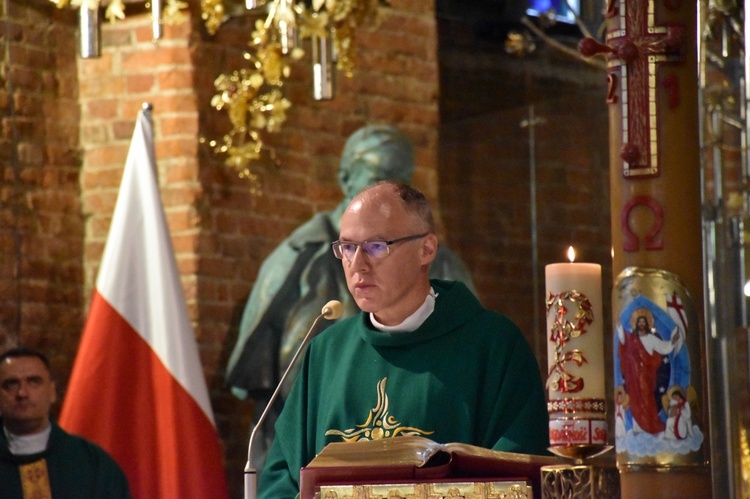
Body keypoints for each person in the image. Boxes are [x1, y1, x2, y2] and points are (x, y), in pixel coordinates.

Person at [257, 181, 549, 498]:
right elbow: (281, 478)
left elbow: (517, 472)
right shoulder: (326, 353)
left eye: (376, 247)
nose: (357, 265)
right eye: (347, 248)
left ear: (426, 249)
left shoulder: (494, 345)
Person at [225, 124, 477, 466]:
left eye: (401, 182)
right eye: (378, 177)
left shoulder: (440, 265)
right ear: (345, 179)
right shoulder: (298, 260)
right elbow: (262, 387)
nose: (388, 192)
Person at [0, 347, 131, 498]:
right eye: (11, 384)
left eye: (34, 382)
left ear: (52, 392)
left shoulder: (92, 463)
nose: (22, 393)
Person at [617, 312, 679, 434]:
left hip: (646, 377)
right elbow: (623, 339)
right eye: (639, 322)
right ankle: (637, 428)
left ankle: (649, 424)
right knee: (635, 401)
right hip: (634, 378)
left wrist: (672, 342)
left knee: (647, 400)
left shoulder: (651, 338)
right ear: (636, 324)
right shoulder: (632, 339)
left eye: (643, 322)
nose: (641, 324)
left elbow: (663, 347)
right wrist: (619, 326)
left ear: (647, 324)